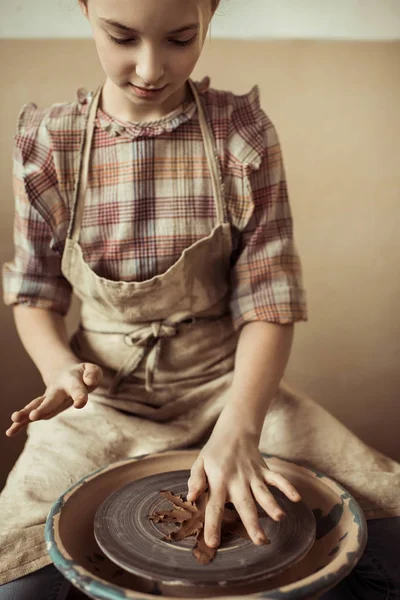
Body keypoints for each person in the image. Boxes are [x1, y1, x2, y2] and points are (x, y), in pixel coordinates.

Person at [1, 0, 399, 598]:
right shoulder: (47, 143)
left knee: (386, 524)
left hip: (228, 390)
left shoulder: (241, 134)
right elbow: (34, 292)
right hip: (98, 405)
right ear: (84, 8)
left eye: (181, 38)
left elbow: (269, 301)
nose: (150, 67)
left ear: (211, 12)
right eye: (122, 36)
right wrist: (59, 368)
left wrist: (241, 427)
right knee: (16, 576)